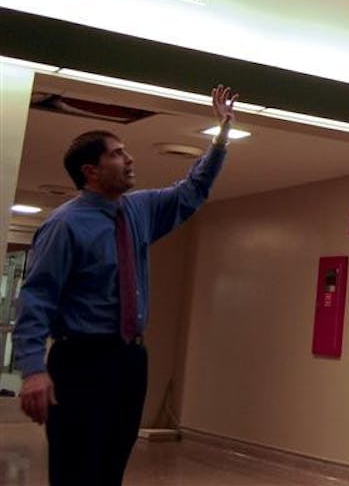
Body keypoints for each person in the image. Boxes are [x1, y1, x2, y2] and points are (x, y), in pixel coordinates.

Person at [13, 84, 238, 486]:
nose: (130, 158)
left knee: (111, 467)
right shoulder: (64, 225)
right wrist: (32, 370)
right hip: (82, 362)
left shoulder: (139, 209)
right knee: (77, 469)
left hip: (130, 362)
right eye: (117, 153)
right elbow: (37, 297)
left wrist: (220, 137)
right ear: (91, 171)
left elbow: (192, 191)